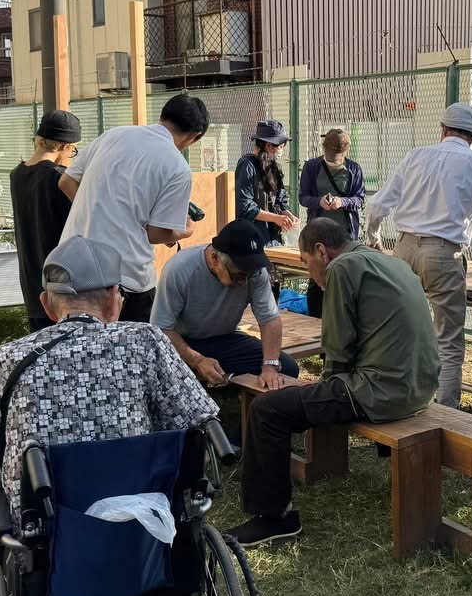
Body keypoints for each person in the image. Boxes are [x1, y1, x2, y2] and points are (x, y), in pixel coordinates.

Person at [0, 235, 219, 526]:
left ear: (47, 305)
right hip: (138, 514)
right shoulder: (145, 340)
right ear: (114, 298)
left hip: (43, 523)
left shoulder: (5, 359)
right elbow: (197, 418)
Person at [227, 219, 440, 547]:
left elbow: (338, 350)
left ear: (321, 252)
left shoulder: (342, 268)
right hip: (422, 389)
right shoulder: (390, 261)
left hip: (384, 393)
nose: (309, 271)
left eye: (306, 262)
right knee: (307, 395)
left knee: (267, 409)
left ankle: (272, 519)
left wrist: (321, 387)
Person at [366, 103, 472, 409]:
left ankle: (397, 401)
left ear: (443, 129)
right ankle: (445, 414)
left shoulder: (415, 156)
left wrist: (373, 237)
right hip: (444, 253)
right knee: (448, 342)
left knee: (400, 330)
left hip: (404, 248)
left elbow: (377, 205)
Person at [58, 94, 209, 322]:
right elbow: (155, 233)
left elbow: (66, 182)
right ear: (194, 136)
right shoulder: (177, 167)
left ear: (163, 115)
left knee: (77, 340)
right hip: (124, 279)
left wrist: (97, 211)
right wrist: (184, 231)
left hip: (72, 265)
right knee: (132, 343)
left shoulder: (114, 135)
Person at [151, 219, 299, 390]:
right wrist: (197, 360)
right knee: (162, 376)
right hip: (184, 343)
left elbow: (269, 319)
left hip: (227, 340)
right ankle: (203, 376)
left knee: (288, 368)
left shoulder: (255, 274)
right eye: (239, 275)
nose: (245, 281)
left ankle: (210, 377)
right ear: (215, 258)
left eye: (249, 275)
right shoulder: (180, 269)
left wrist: (270, 366)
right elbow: (161, 329)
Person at [10, 109, 81, 331]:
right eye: (73, 150)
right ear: (64, 146)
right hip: (62, 280)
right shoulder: (59, 178)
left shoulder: (17, 175)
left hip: (31, 278)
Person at [298, 128, 366, 317]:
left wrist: (342, 202)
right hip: (318, 233)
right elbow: (303, 197)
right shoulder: (312, 167)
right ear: (324, 148)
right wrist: (319, 201)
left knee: (344, 278)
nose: (333, 158)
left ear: (345, 151)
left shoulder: (354, 169)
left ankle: (343, 319)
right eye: (330, 154)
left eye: (337, 155)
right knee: (316, 280)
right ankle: (315, 320)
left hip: (344, 235)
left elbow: (359, 199)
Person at [235, 120, 300, 248]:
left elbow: (281, 200)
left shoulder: (274, 168)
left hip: (273, 239)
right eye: (281, 145)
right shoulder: (247, 166)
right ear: (269, 146)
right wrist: (276, 218)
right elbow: (245, 207)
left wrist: (287, 214)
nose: (283, 149)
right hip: (252, 239)